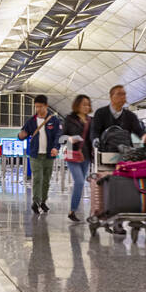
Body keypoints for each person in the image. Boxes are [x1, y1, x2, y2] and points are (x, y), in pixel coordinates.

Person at [19, 95, 63, 214]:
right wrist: (20, 136)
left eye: (40, 106)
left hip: (49, 155)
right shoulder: (31, 121)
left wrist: (55, 148)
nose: (38, 109)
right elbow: (23, 134)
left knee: (46, 180)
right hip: (35, 155)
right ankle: (36, 201)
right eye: (36, 106)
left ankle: (43, 201)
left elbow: (58, 136)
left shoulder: (54, 120)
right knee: (37, 178)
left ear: (46, 106)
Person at [89, 84, 146, 156]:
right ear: (111, 97)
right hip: (105, 153)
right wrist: (95, 139)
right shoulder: (101, 113)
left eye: (124, 94)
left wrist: (144, 135)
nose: (123, 97)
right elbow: (94, 130)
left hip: (126, 154)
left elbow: (138, 130)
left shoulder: (131, 116)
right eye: (119, 94)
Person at [62, 94, 94, 222]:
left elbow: (93, 137)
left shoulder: (91, 120)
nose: (86, 107)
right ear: (77, 105)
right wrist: (69, 139)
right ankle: (72, 210)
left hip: (85, 156)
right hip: (72, 154)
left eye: (88, 104)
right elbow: (62, 137)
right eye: (83, 104)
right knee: (80, 181)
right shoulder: (69, 119)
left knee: (80, 184)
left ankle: (74, 210)